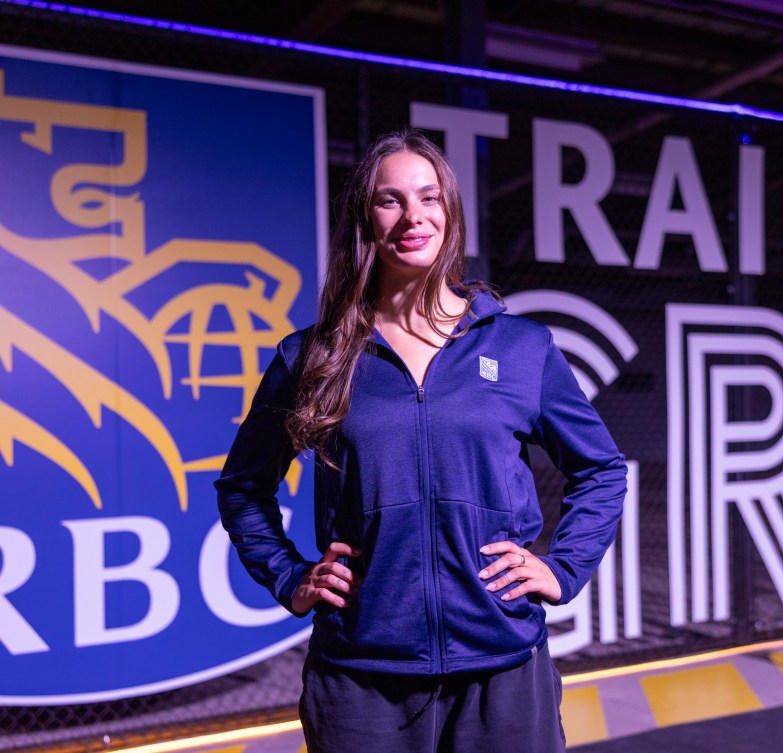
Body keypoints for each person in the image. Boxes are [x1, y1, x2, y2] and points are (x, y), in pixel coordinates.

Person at [215, 129, 626, 753]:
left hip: (502, 668)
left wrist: (563, 567)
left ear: (450, 211)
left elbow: (601, 469)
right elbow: (243, 487)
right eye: (391, 200)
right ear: (365, 218)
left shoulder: (520, 348)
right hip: (362, 680)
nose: (414, 217)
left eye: (430, 197)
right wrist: (289, 576)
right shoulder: (315, 357)